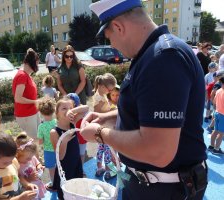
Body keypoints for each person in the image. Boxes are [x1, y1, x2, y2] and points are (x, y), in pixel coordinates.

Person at [81, 0, 207, 199]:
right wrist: (109, 117)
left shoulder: (163, 58)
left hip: (164, 190)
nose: (112, 45)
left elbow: (158, 151)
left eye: (108, 38)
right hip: (151, 185)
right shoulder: (152, 54)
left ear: (118, 27)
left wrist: (100, 134)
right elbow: (147, 111)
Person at [50, 96, 88, 199]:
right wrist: (65, 141)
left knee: (77, 192)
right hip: (64, 170)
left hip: (76, 164)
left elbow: (86, 108)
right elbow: (60, 157)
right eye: (64, 108)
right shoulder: (54, 132)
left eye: (70, 108)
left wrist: (73, 110)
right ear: (57, 113)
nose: (68, 111)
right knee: (65, 194)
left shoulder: (73, 122)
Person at [0, 131, 37, 200]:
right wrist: (19, 198)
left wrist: (27, 184)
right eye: (5, 162)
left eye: (11, 159)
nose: (10, 164)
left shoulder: (13, 161)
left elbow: (18, 176)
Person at [92, 73, 117, 180]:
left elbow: (106, 107)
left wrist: (112, 106)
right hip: (104, 129)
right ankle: (108, 171)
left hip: (100, 129)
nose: (110, 92)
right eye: (109, 90)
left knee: (101, 150)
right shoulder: (99, 99)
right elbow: (99, 112)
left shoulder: (100, 96)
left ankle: (99, 168)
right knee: (108, 151)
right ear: (102, 87)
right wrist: (115, 110)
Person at [12, 48, 41, 140]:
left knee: (36, 139)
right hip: (26, 114)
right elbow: (18, 98)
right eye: (37, 63)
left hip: (32, 112)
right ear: (32, 62)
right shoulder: (22, 76)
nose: (38, 66)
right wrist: (36, 101)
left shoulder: (26, 75)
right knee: (32, 142)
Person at [15, 133, 46, 199]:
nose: (31, 159)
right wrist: (29, 179)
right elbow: (19, 180)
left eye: (32, 156)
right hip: (28, 190)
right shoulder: (16, 165)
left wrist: (39, 167)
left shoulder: (31, 158)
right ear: (17, 154)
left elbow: (38, 163)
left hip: (37, 186)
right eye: (28, 158)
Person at [37, 97, 57, 190]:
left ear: (41, 112)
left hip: (48, 151)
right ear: (54, 110)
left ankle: (54, 184)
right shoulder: (57, 122)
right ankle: (61, 181)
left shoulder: (41, 126)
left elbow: (40, 142)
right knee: (59, 167)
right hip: (59, 149)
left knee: (51, 170)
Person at [67, 93, 89, 176]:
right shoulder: (70, 115)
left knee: (81, 155)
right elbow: (74, 121)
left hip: (82, 138)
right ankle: (74, 170)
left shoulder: (81, 110)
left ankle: (81, 169)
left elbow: (86, 108)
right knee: (74, 155)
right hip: (73, 138)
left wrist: (72, 111)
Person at [208, 77, 224, 155]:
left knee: (215, 131)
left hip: (217, 113)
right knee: (221, 133)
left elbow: (214, 102)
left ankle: (211, 146)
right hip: (223, 115)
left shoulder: (218, 91)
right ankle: (216, 149)